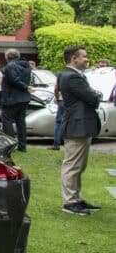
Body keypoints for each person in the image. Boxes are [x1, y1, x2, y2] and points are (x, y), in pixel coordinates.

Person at [59, 46, 102, 215]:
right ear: (74, 59)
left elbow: (91, 96)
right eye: (84, 56)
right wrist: (96, 96)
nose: (87, 59)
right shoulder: (72, 77)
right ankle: (69, 202)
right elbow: (92, 97)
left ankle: (76, 198)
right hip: (77, 125)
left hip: (81, 124)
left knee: (79, 165)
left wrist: (94, 95)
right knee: (72, 165)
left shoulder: (72, 75)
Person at [0, 48, 33, 152]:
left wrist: (25, 87)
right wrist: (26, 88)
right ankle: (22, 146)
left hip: (11, 98)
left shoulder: (10, 66)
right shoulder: (26, 65)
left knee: (7, 120)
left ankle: (10, 145)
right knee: (21, 122)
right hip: (24, 98)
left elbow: (14, 80)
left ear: (7, 57)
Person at [50, 73, 65, 150]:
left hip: (62, 100)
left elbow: (56, 88)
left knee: (59, 122)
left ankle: (56, 144)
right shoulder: (78, 75)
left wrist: (57, 98)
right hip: (73, 102)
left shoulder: (61, 75)